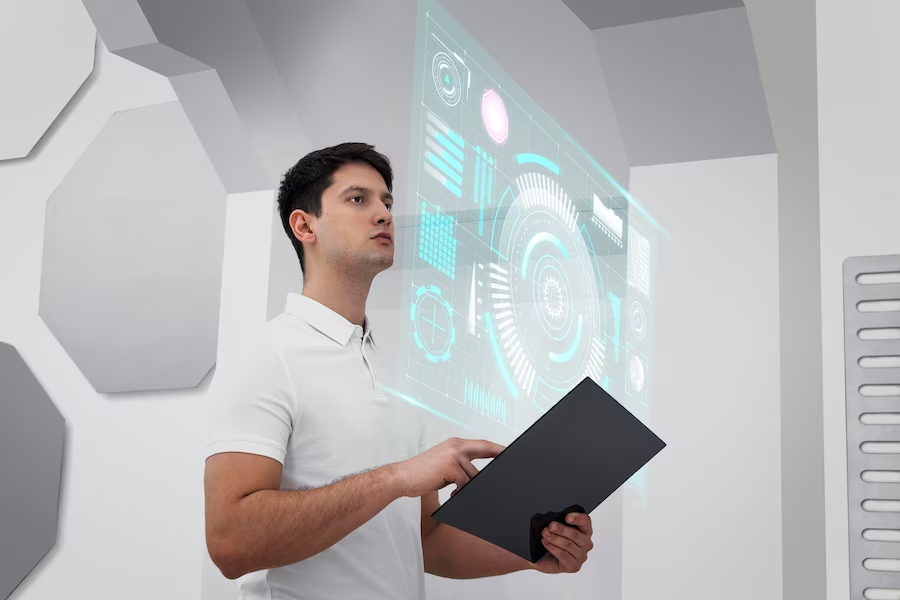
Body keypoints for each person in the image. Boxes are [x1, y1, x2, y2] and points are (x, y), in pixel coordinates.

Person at [203, 142, 594, 598]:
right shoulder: (265, 355)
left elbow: (424, 543)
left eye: (387, 202)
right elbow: (231, 543)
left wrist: (532, 553)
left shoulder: (397, 370)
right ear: (304, 225)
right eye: (358, 199)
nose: (384, 214)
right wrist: (395, 477)